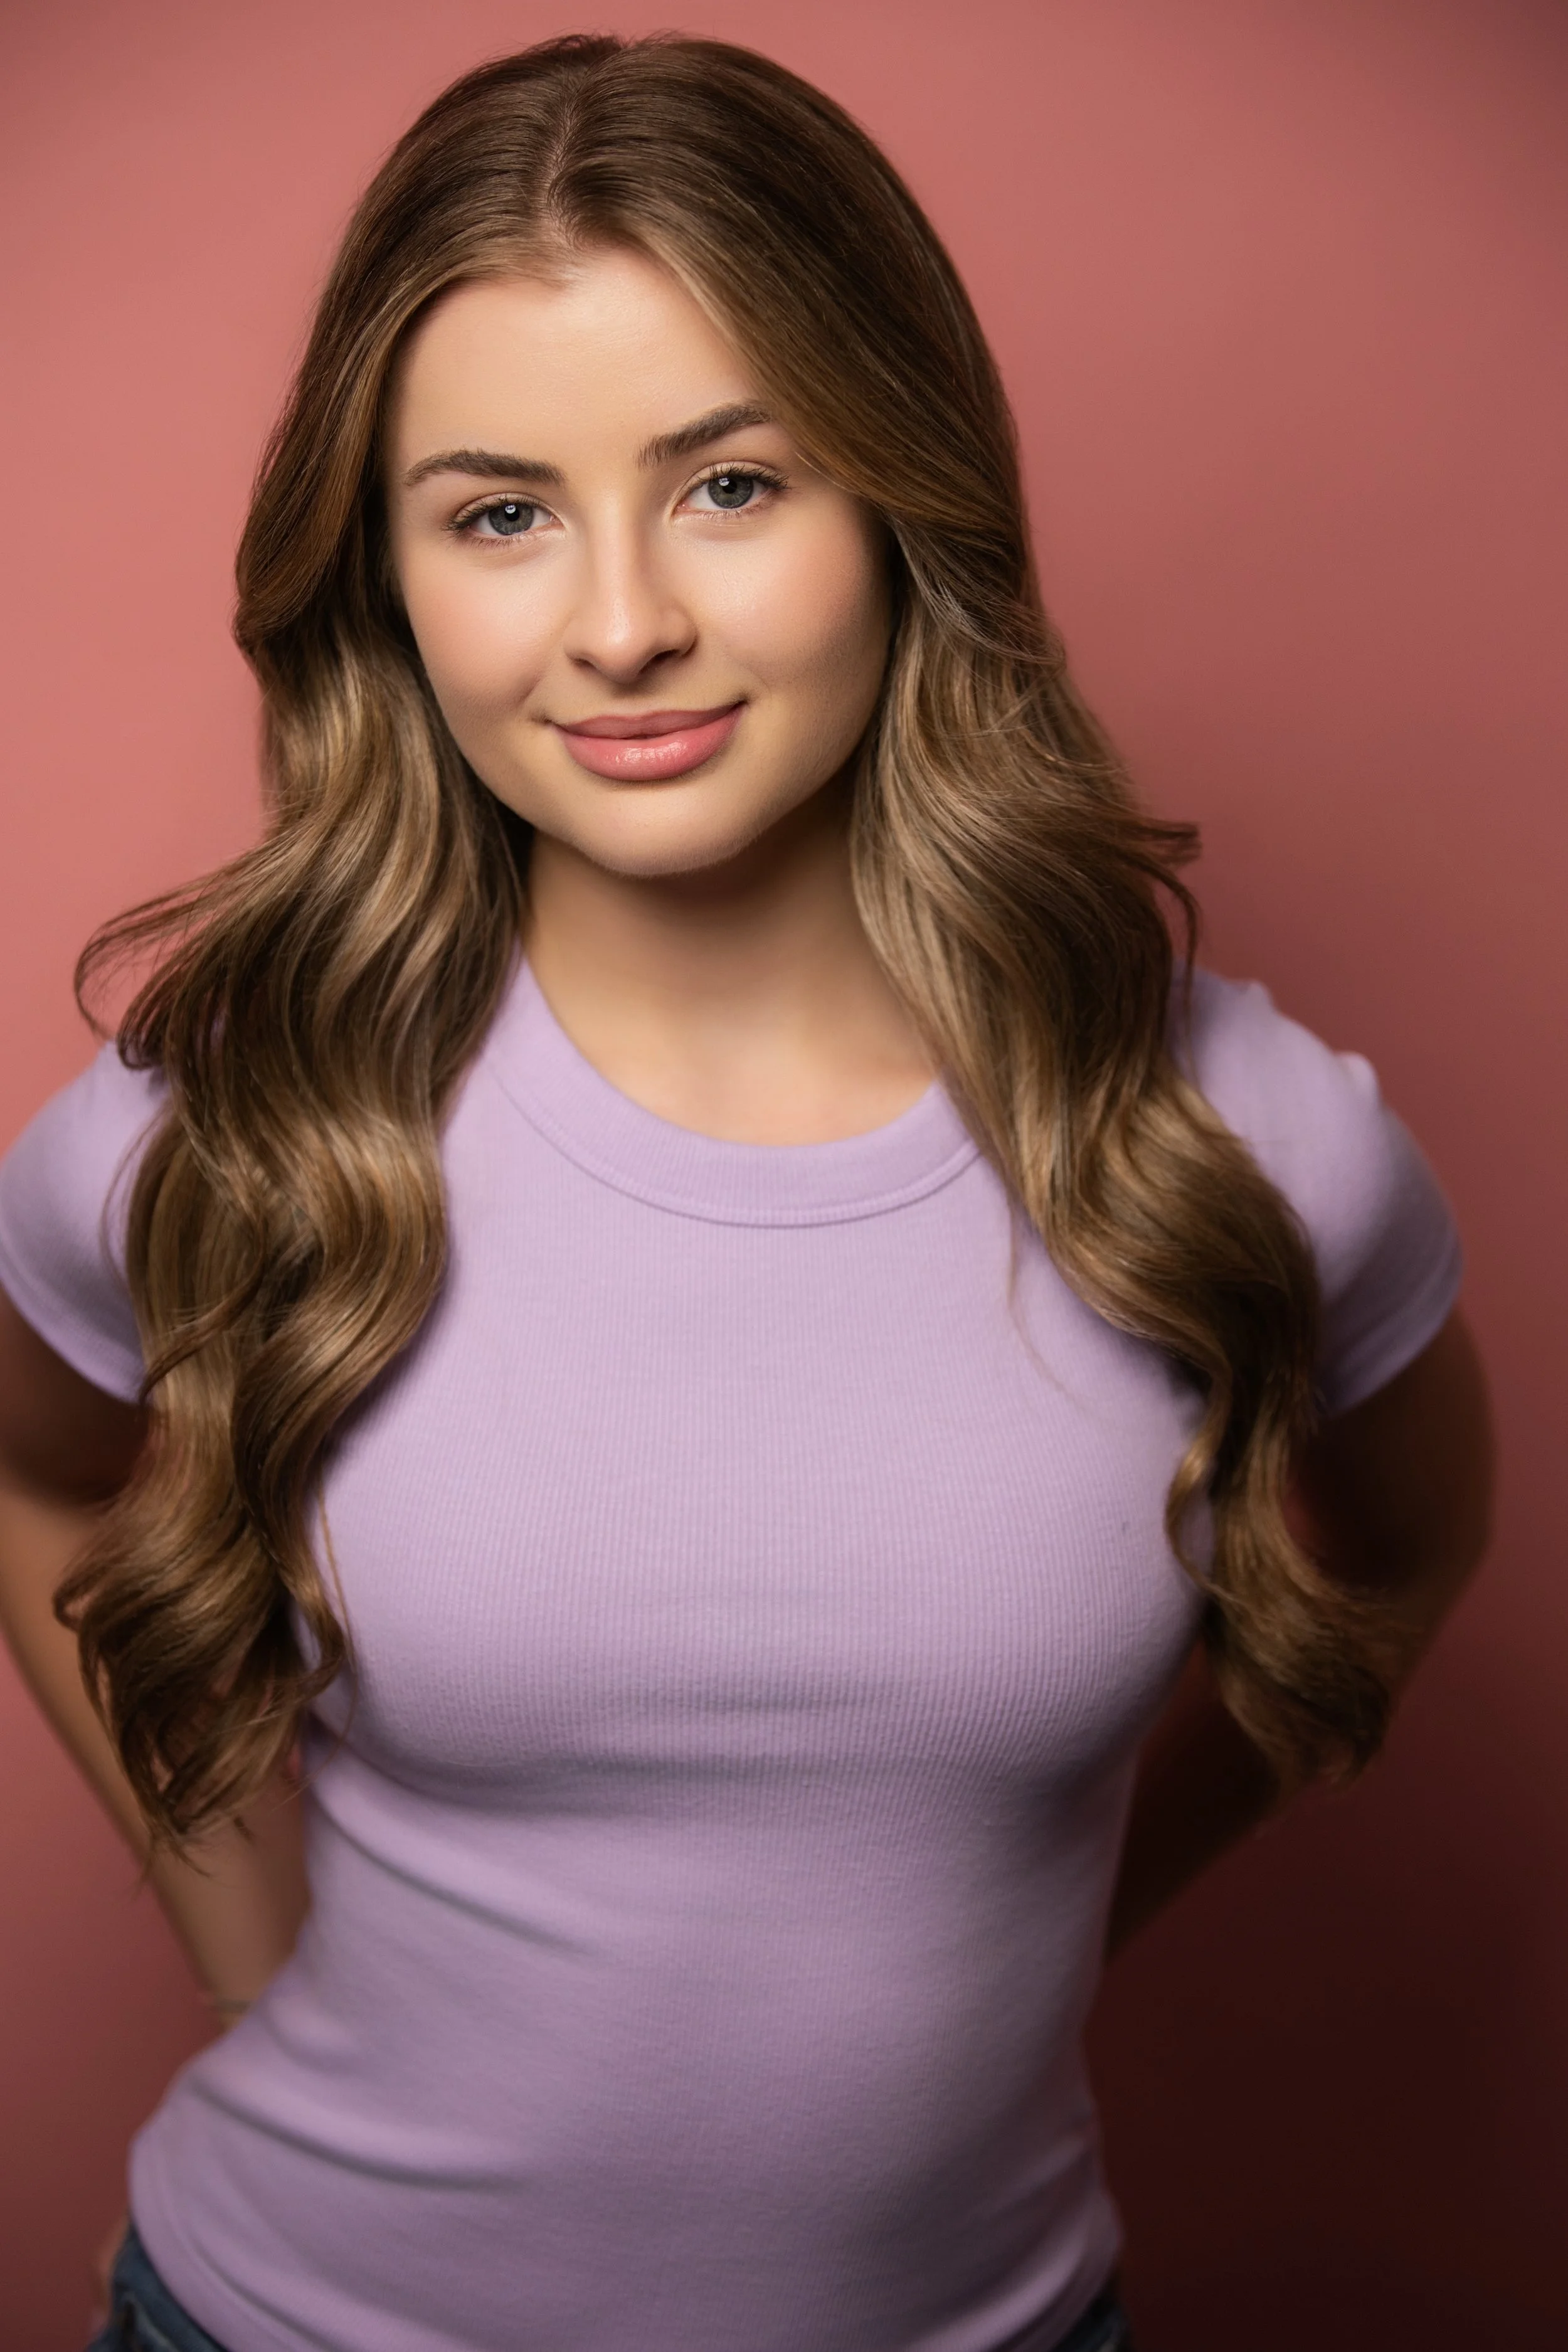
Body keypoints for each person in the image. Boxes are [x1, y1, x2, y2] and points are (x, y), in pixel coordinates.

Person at [0, 33, 1491, 2352]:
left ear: (905, 497)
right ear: (383, 579)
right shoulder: (235, 1121)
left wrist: (1041, 1937)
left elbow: (1400, 1546)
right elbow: (35, 1467)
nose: (617, 627)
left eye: (727, 484)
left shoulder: (1233, 1143)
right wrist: (240, 1937)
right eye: (497, 512)